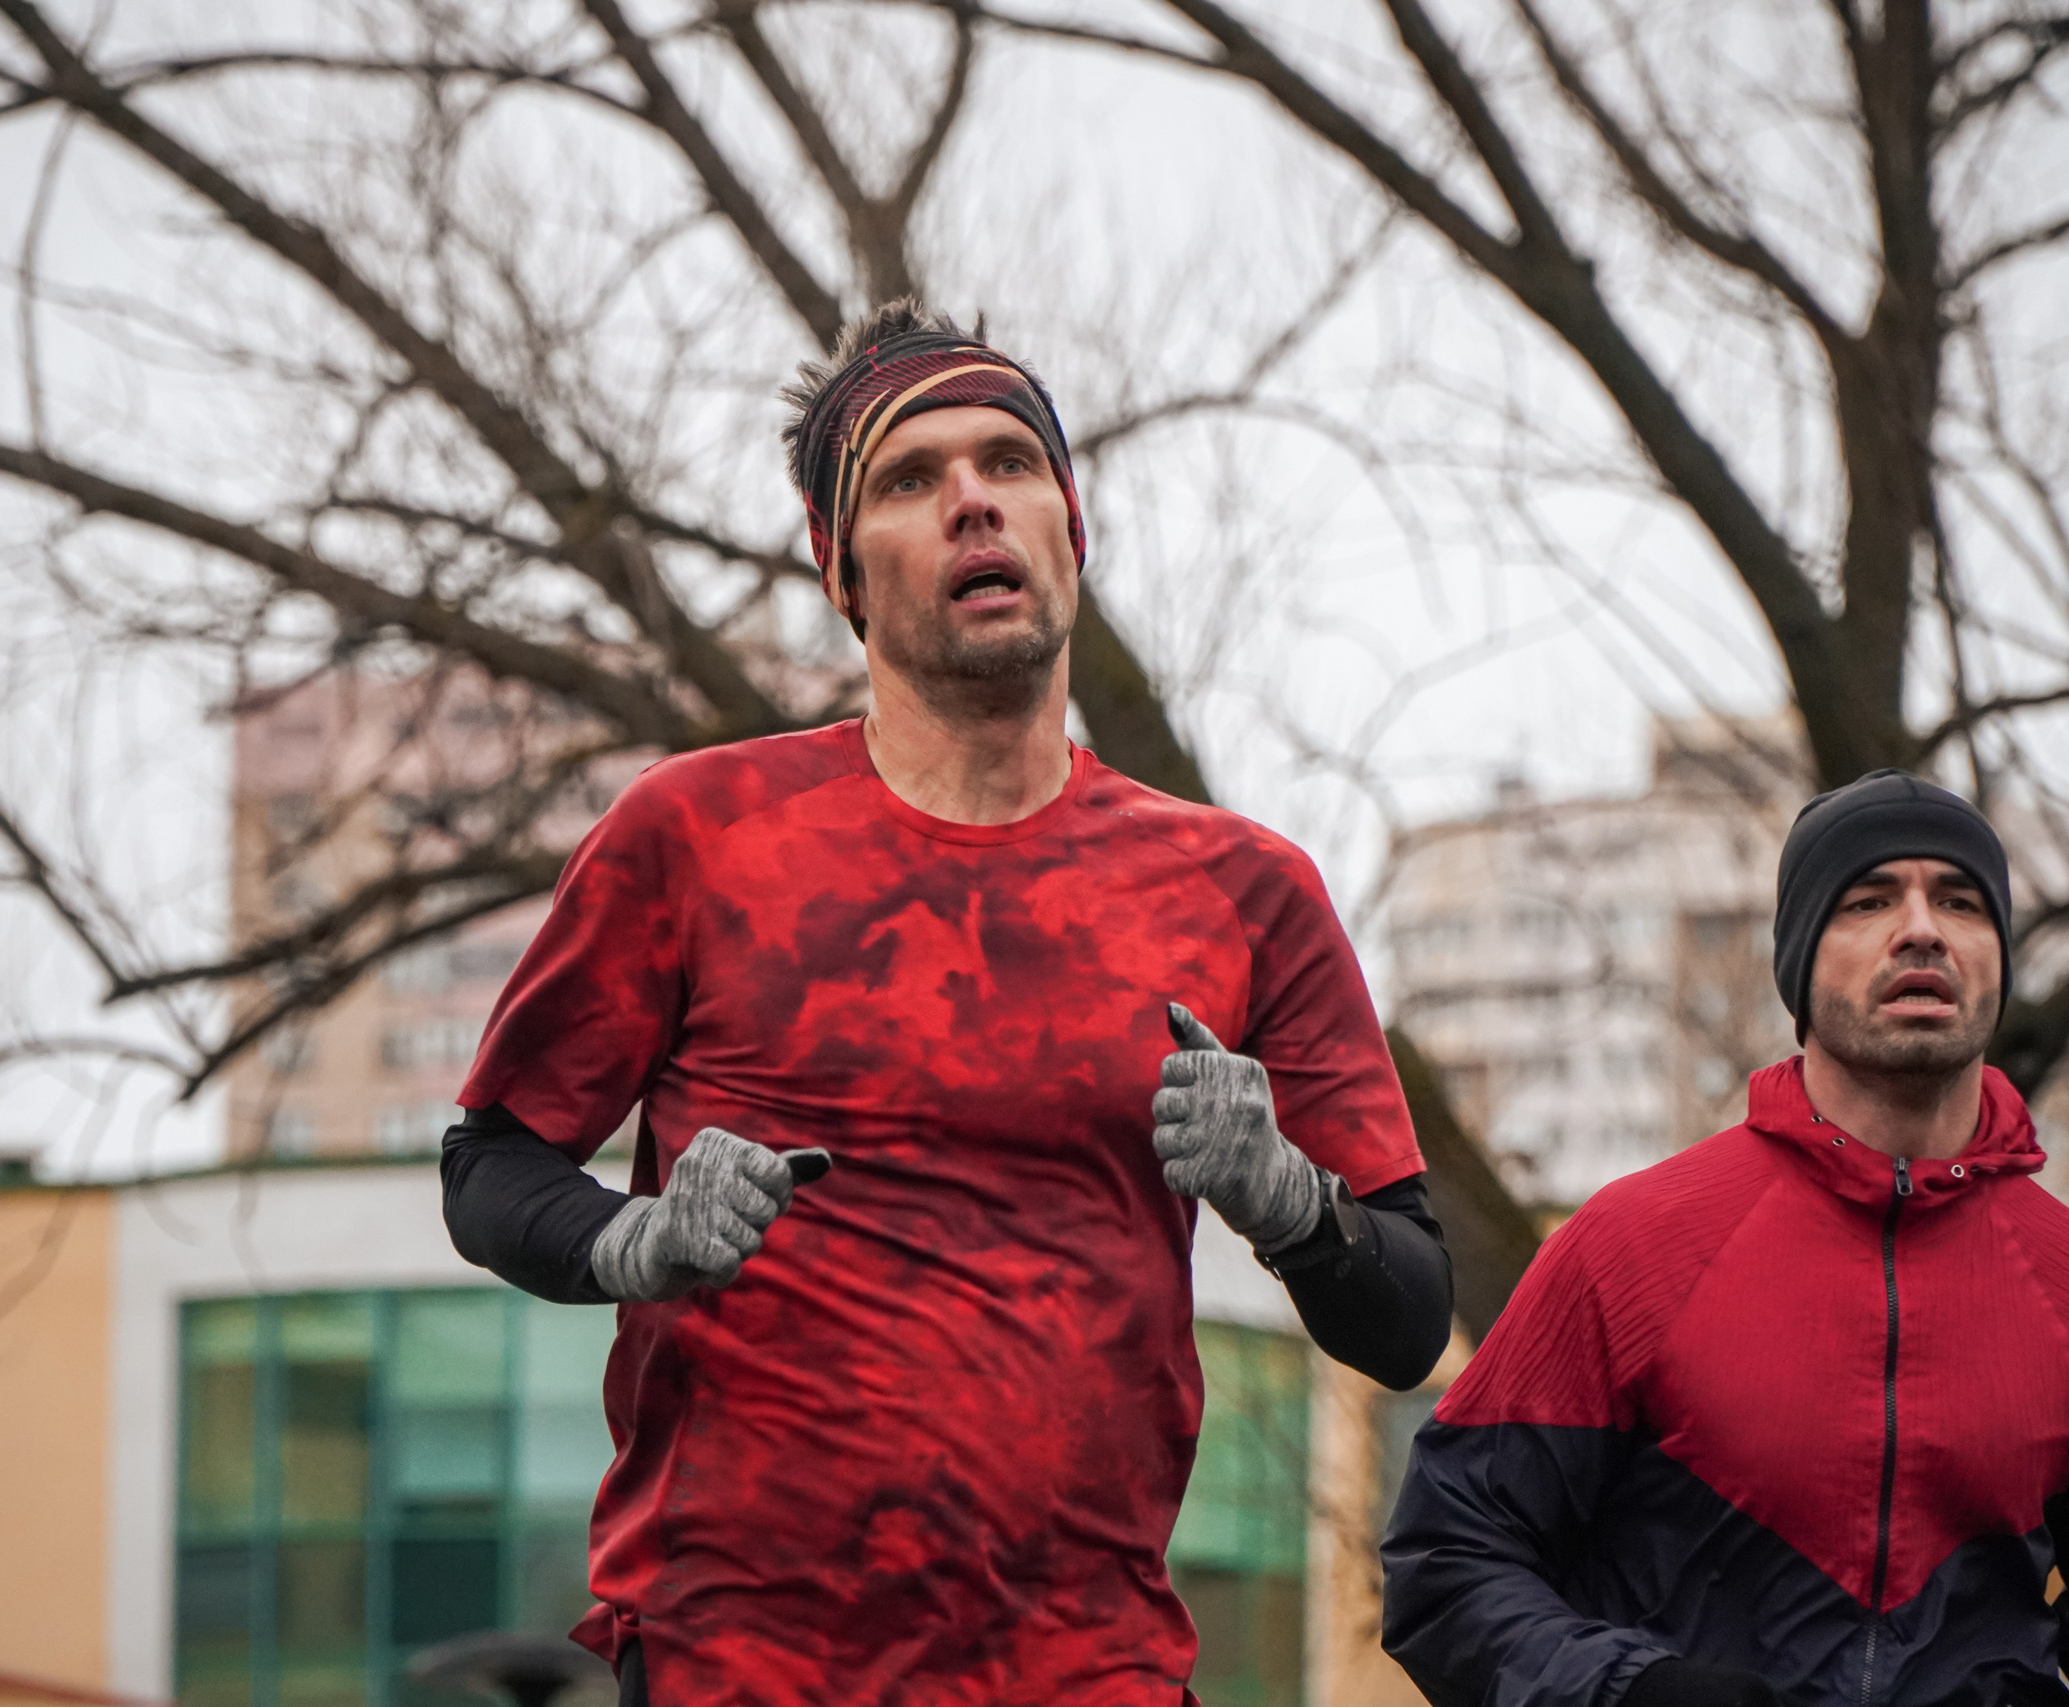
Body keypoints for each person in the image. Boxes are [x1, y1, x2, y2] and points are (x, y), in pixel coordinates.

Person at [440, 300, 1454, 1706]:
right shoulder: (695, 834)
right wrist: (637, 1237)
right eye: (911, 480)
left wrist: (1282, 1191)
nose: (973, 498)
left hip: (1091, 1668)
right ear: (843, 569)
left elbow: (1408, 1313)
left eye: (1009, 462)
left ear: (1069, 531)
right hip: (742, 1664)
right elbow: (488, 1162)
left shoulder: (1243, 887)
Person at [1380, 769, 2069, 1707]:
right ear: (1798, 963)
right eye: (1869, 900)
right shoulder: (1630, 1245)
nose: (1922, 928)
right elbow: (1446, 1561)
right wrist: (1629, 1690)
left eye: (1960, 900)